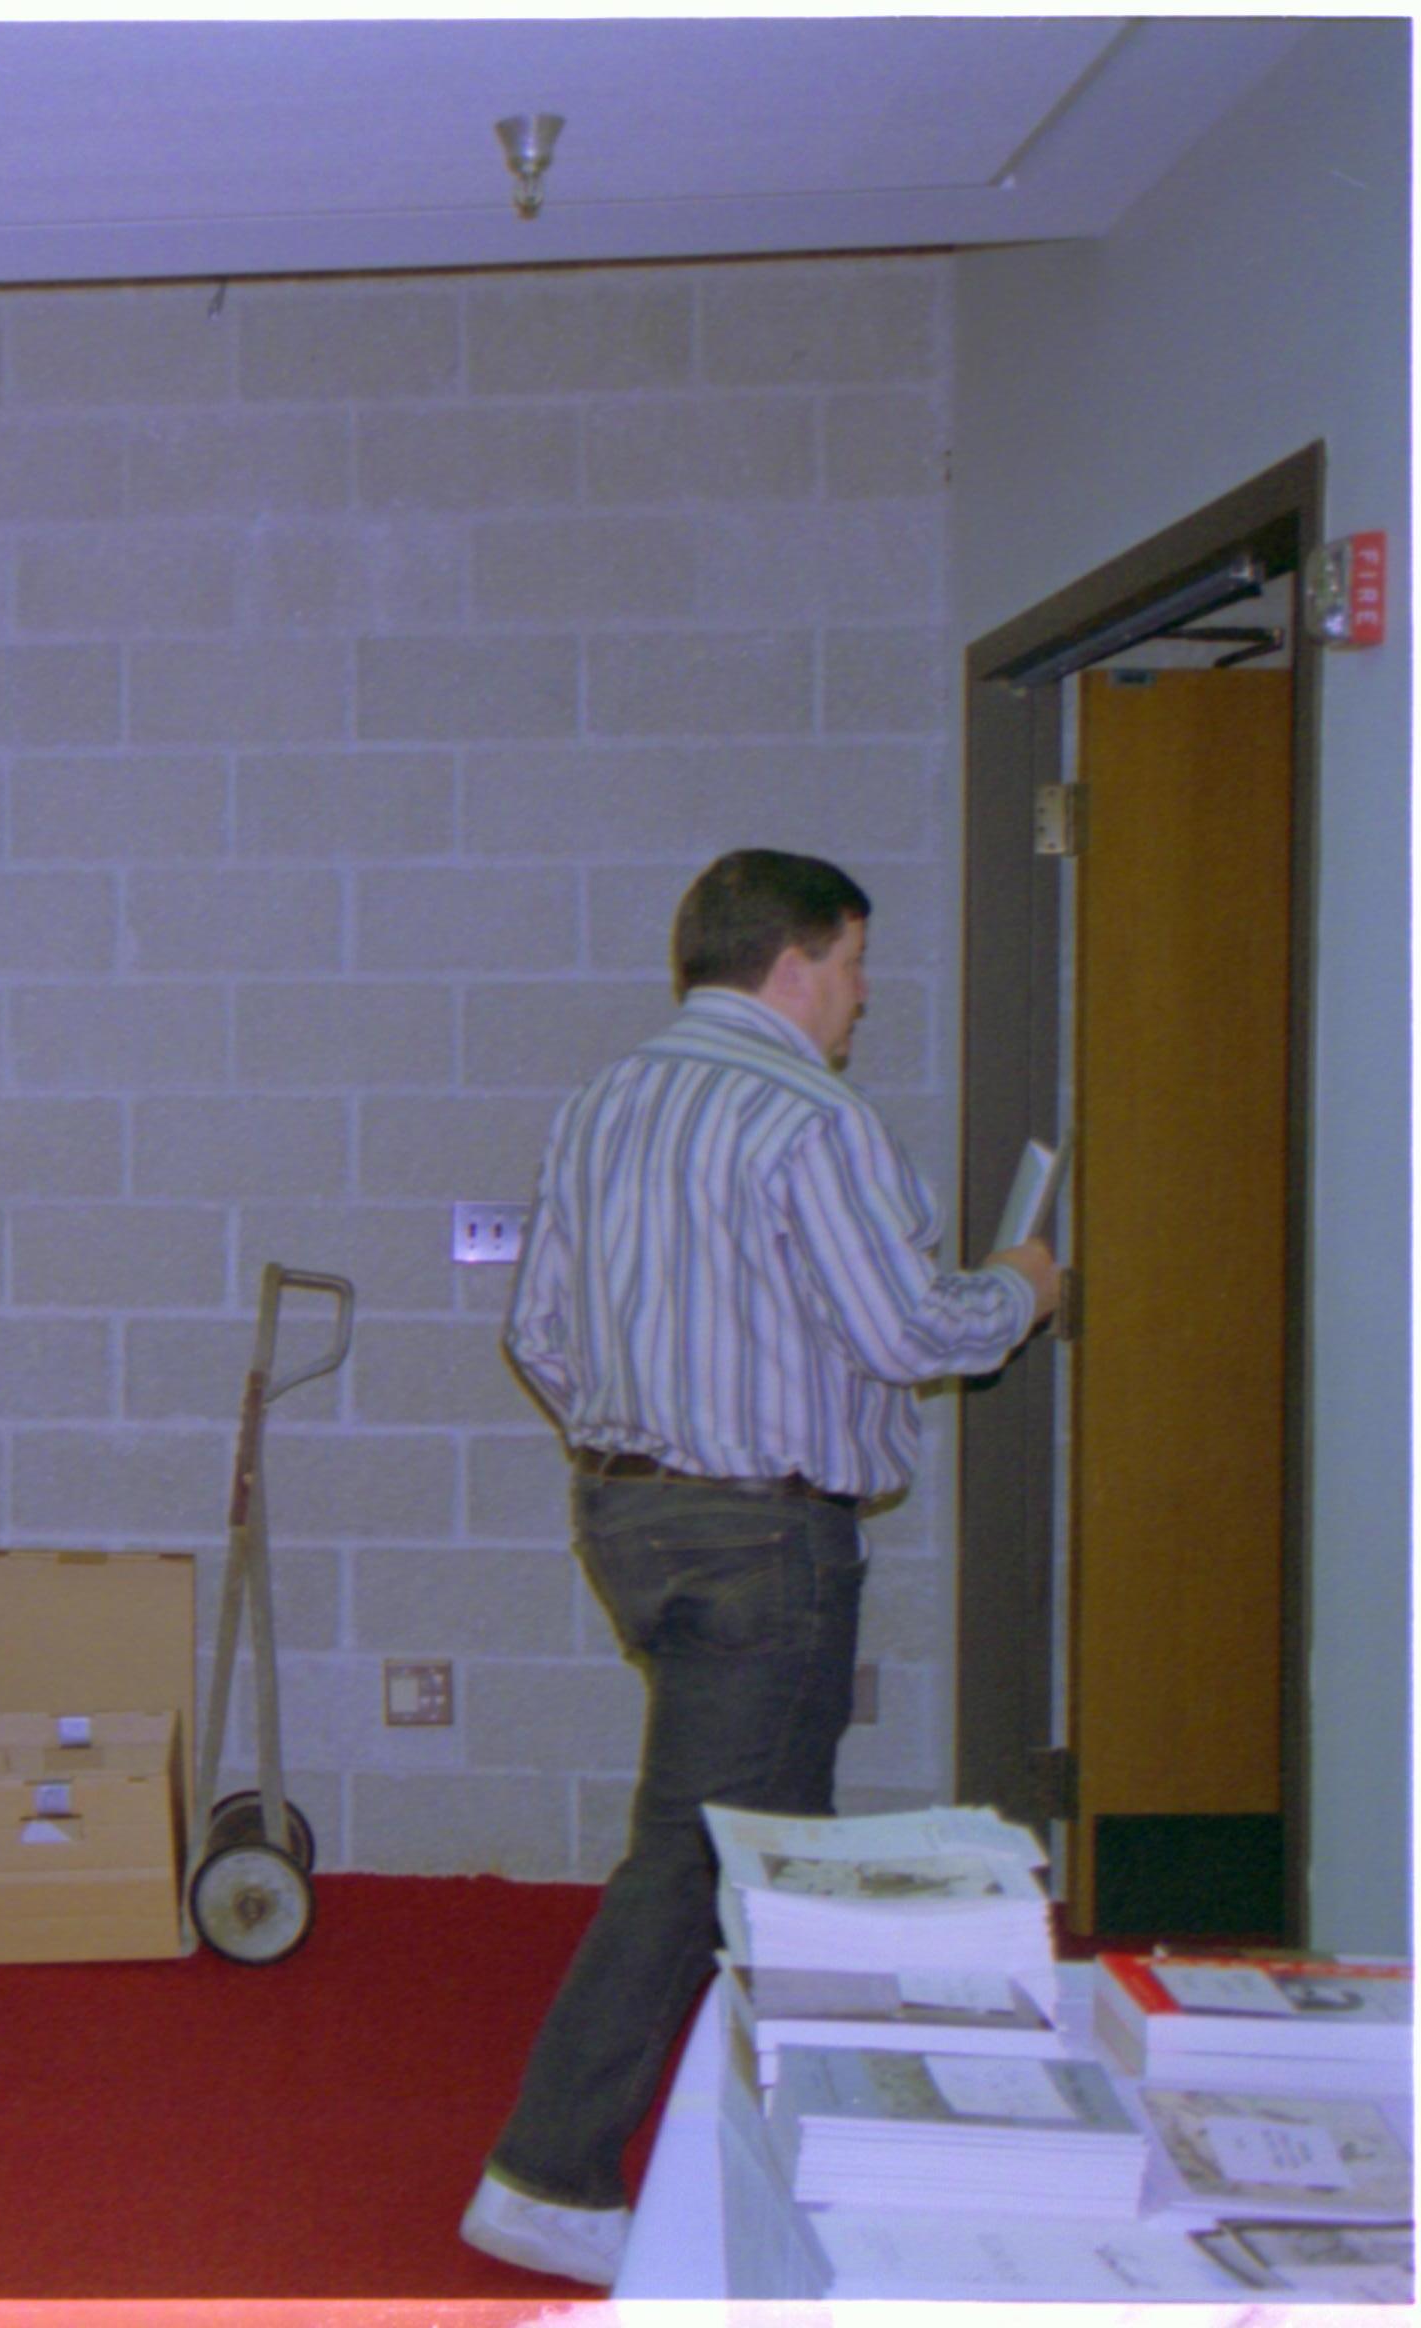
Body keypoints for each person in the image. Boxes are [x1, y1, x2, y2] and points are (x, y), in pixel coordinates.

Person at [461, 848, 1059, 2285]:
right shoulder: (813, 1117)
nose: (860, 999)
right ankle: (549, 2169)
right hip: (763, 1537)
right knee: (706, 1854)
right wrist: (1023, 1291)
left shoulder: (600, 1104)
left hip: (629, 1518)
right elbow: (916, 1335)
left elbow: (538, 1334)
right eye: (854, 965)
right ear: (792, 965)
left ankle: (797, 2145)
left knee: (762, 1844)